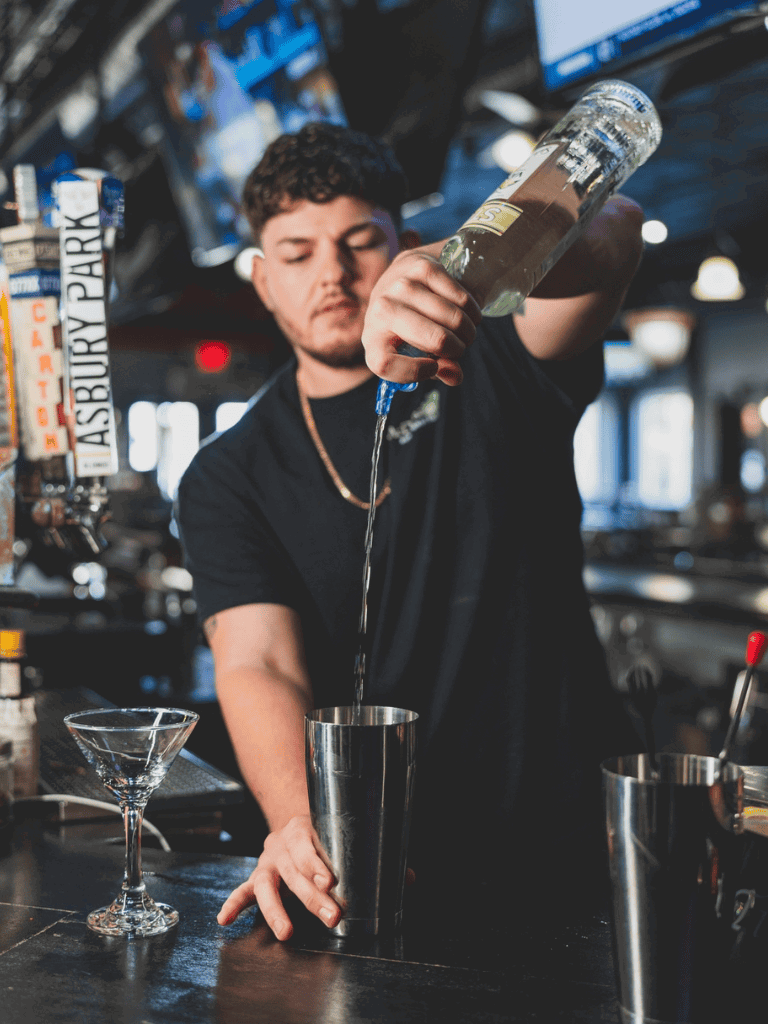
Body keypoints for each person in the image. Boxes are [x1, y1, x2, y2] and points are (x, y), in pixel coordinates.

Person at [177, 121, 643, 941]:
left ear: (407, 245)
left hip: (573, 843)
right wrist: (295, 823)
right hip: (388, 868)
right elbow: (258, 662)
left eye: (362, 243)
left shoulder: (498, 357)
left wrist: (467, 265)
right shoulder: (228, 474)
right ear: (260, 279)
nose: (332, 273)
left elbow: (614, 230)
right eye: (296, 253)